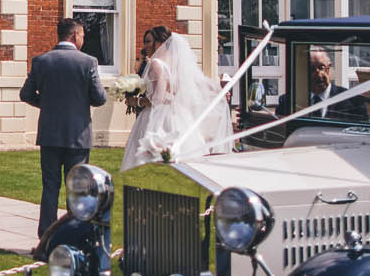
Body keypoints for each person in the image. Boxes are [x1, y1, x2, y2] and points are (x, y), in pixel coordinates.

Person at [20, 16, 107, 246]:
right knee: (76, 187)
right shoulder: (88, 62)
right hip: (77, 135)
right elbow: (100, 98)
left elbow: (26, 95)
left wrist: (47, 105)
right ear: (75, 35)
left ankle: (46, 238)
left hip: (49, 134)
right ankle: (72, 237)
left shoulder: (41, 61)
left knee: (50, 186)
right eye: (82, 36)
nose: (83, 40)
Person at [121, 26, 221, 169]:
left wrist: (135, 101)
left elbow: (157, 100)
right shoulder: (176, 64)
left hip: (158, 117)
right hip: (177, 114)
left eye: (148, 42)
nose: (145, 46)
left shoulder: (156, 64)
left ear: (160, 43)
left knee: (150, 153)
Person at [276, 46, 369, 122]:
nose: (318, 74)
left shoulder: (354, 101)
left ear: (329, 67)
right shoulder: (286, 102)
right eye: (311, 69)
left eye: (321, 67)